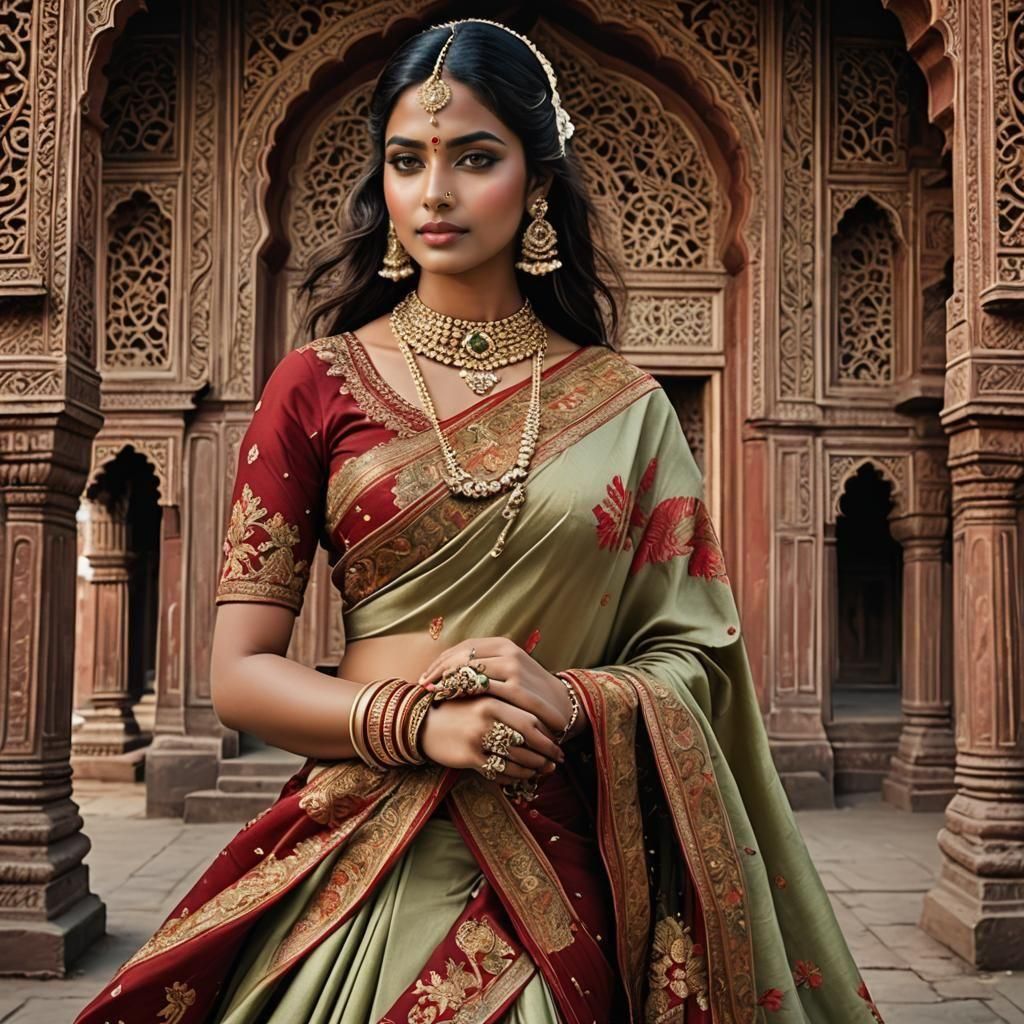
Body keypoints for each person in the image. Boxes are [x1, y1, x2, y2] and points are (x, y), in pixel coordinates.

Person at [75, 19, 885, 1024]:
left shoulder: (624, 406)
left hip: (553, 848)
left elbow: (697, 656)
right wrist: (419, 723)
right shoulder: (314, 386)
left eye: (475, 158)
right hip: (358, 842)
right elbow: (238, 673)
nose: (435, 193)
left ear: (536, 180)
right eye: (406, 161)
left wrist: (577, 697)